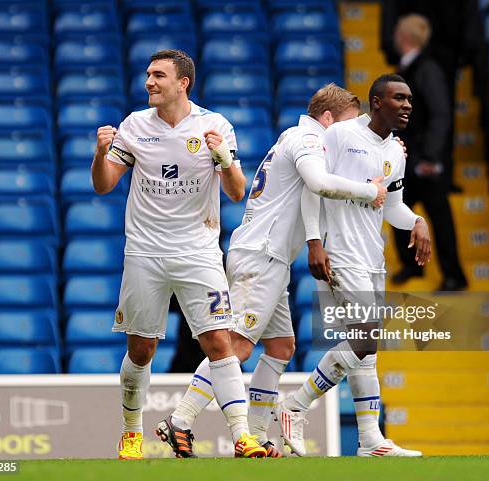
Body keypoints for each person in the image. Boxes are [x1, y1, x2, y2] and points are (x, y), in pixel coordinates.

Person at [157, 84, 388, 458]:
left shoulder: (297, 137)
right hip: (261, 257)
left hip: (269, 257)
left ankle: (261, 434)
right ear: (327, 119)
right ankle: (180, 420)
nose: (349, 135)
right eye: (345, 125)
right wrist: (367, 190)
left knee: (282, 346)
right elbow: (318, 183)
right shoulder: (307, 140)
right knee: (238, 346)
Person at [91, 49, 267, 460]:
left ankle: (242, 437)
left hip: (197, 250)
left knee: (219, 342)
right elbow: (103, 186)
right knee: (141, 350)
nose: (149, 82)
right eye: (148, 75)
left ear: (183, 82)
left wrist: (223, 157)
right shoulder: (134, 125)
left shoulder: (214, 125)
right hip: (145, 252)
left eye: (158, 75)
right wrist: (101, 153)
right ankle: (131, 434)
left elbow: (237, 191)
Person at [275, 74, 430, 457]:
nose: (407, 105)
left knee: (367, 349)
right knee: (364, 336)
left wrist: (418, 222)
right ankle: (295, 405)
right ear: (376, 102)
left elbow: (391, 206)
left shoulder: (395, 151)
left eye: (409, 98)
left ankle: (370, 440)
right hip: (339, 252)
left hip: (372, 256)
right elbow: (315, 185)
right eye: (399, 98)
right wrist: (314, 242)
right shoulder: (341, 135)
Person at [390, 14, 467, 291]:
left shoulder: (427, 69)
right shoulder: (409, 68)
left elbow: (440, 115)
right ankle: (412, 266)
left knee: (440, 218)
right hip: (408, 160)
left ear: (405, 37)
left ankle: (454, 275)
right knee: (398, 211)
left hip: (425, 162)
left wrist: (431, 157)